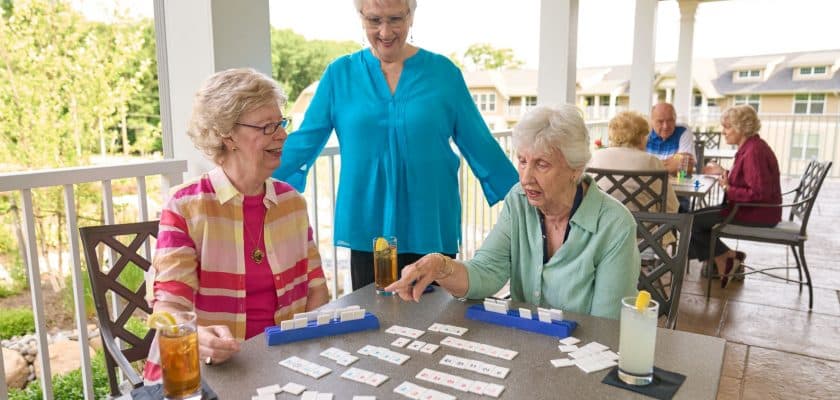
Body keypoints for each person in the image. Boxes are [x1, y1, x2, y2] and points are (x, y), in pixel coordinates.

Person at [272, 0, 517, 291]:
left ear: (412, 15)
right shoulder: (340, 75)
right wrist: (251, 171)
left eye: (395, 18)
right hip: (368, 222)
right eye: (374, 20)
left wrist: (525, 192)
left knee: (433, 320)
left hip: (430, 221)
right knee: (373, 319)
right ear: (360, 17)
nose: (385, 31)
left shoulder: (444, 74)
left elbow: (480, 142)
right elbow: (304, 140)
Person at [143, 68, 330, 382]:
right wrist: (195, 337)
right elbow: (168, 307)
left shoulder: (292, 203)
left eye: (281, 123)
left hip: (281, 367)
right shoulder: (187, 207)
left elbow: (317, 290)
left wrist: (300, 357)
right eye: (267, 126)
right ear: (226, 135)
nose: (282, 135)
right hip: (204, 372)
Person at [385, 105, 641, 320]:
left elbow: (607, 328)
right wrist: (440, 266)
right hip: (525, 344)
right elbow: (485, 272)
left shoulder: (615, 225)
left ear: (575, 169)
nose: (526, 177)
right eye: (522, 161)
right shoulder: (518, 201)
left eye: (542, 164)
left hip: (582, 358)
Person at [693, 105, 781, 288]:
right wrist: (724, 173)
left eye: (727, 127)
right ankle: (726, 258)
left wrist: (727, 187)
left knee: (691, 223)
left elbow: (758, 193)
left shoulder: (753, 151)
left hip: (756, 213)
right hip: (749, 209)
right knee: (693, 218)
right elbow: (749, 181)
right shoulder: (751, 147)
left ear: (741, 128)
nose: (723, 132)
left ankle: (725, 259)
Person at [589, 111, 679, 214]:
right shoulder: (651, 161)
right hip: (643, 228)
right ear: (641, 137)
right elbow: (671, 206)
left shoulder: (595, 157)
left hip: (603, 226)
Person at [647, 102, 696, 212]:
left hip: (677, 192)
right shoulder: (644, 133)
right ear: (651, 121)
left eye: (670, 120)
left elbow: (685, 168)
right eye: (660, 121)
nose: (665, 126)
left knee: (681, 211)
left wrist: (652, 166)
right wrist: (671, 164)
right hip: (647, 190)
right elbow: (637, 166)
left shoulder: (683, 130)